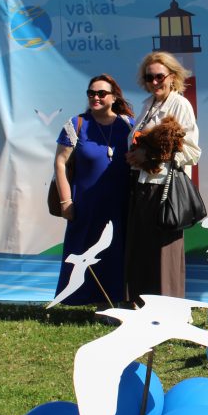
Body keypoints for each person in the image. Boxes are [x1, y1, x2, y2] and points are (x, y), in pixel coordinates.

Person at [124, 52, 201, 301]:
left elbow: (191, 151)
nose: (154, 82)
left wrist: (150, 158)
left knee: (164, 255)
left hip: (164, 189)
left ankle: (169, 313)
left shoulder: (180, 105)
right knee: (141, 252)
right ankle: (140, 307)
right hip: (141, 187)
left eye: (159, 76)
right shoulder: (147, 105)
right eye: (149, 77)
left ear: (172, 77)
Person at [53, 73, 134, 305]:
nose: (95, 97)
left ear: (114, 96)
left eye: (101, 93)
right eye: (91, 93)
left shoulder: (128, 124)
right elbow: (60, 163)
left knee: (118, 253)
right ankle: (97, 301)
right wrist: (65, 201)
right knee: (88, 252)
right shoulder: (76, 124)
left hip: (122, 205)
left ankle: (120, 300)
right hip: (87, 205)